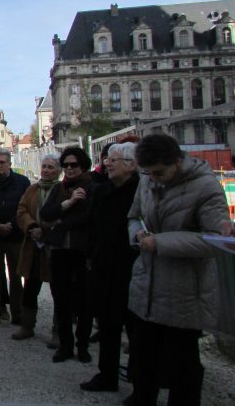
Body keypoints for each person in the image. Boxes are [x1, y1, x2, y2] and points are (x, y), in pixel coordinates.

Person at [125, 134, 230, 406]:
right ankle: (142, 397)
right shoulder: (148, 179)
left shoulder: (206, 187)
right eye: (148, 173)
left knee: (182, 361)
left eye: (160, 173)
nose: (154, 179)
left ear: (177, 162)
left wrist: (159, 242)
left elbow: (214, 240)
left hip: (184, 289)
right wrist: (137, 235)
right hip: (146, 282)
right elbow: (133, 216)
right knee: (144, 353)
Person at [80, 142, 140, 392]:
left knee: (137, 328)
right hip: (104, 267)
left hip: (133, 268)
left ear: (131, 165)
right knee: (108, 324)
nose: (107, 163)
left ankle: (141, 378)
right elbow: (92, 226)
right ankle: (107, 374)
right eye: (108, 159)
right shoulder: (101, 191)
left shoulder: (141, 192)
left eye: (114, 160)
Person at [40, 146, 96, 364]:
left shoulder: (92, 188)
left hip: (82, 251)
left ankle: (82, 345)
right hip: (60, 250)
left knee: (83, 301)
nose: (69, 169)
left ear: (83, 166)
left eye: (74, 165)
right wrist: (69, 203)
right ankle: (65, 345)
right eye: (66, 165)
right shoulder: (60, 188)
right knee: (61, 299)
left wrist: (61, 221)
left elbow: (89, 217)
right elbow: (46, 214)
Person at [12, 153, 61, 341]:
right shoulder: (32, 190)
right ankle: (27, 325)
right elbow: (22, 210)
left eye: (51, 167)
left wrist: (47, 231)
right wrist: (32, 227)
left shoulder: (62, 190)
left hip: (54, 246)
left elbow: (64, 213)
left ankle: (58, 331)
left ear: (58, 171)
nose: (46, 170)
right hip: (33, 245)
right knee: (31, 287)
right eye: (45, 167)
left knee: (58, 290)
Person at [0, 148, 30, 327]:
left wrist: (11, 224)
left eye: (2, 162)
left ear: (10, 163)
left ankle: (18, 312)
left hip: (15, 234)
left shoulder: (22, 182)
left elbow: (25, 208)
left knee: (17, 276)